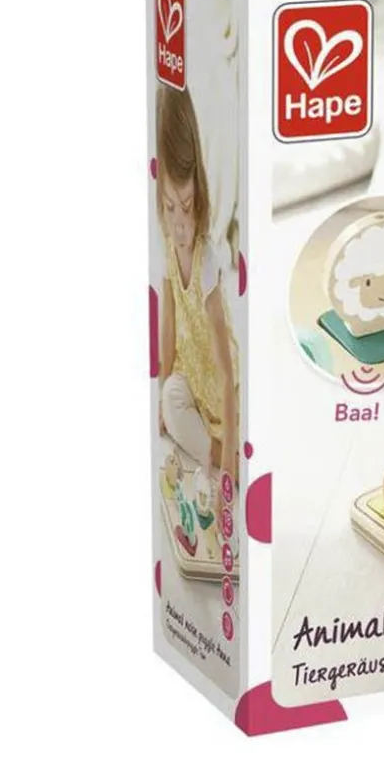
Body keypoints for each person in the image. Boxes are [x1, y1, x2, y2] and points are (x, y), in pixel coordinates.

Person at [155, 84, 240, 510]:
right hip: (189, 374)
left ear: (199, 197)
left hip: (219, 383)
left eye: (186, 207)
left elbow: (226, 371)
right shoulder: (167, 244)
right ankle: (210, 445)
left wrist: (229, 463)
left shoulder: (207, 263)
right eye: (169, 207)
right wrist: (160, 399)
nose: (179, 225)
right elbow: (168, 325)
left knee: (225, 426)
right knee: (172, 398)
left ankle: (223, 450)